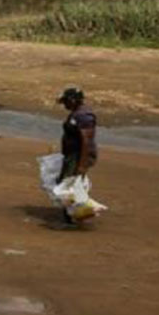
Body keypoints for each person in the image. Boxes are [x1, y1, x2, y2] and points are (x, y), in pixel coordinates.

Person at [57, 86, 97, 223]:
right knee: (69, 185)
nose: (65, 105)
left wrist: (82, 165)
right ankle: (73, 216)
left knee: (69, 186)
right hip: (71, 155)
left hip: (78, 156)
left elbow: (86, 141)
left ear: (73, 100)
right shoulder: (76, 113)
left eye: (66, 102)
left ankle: (72, 219)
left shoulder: (83, 116)